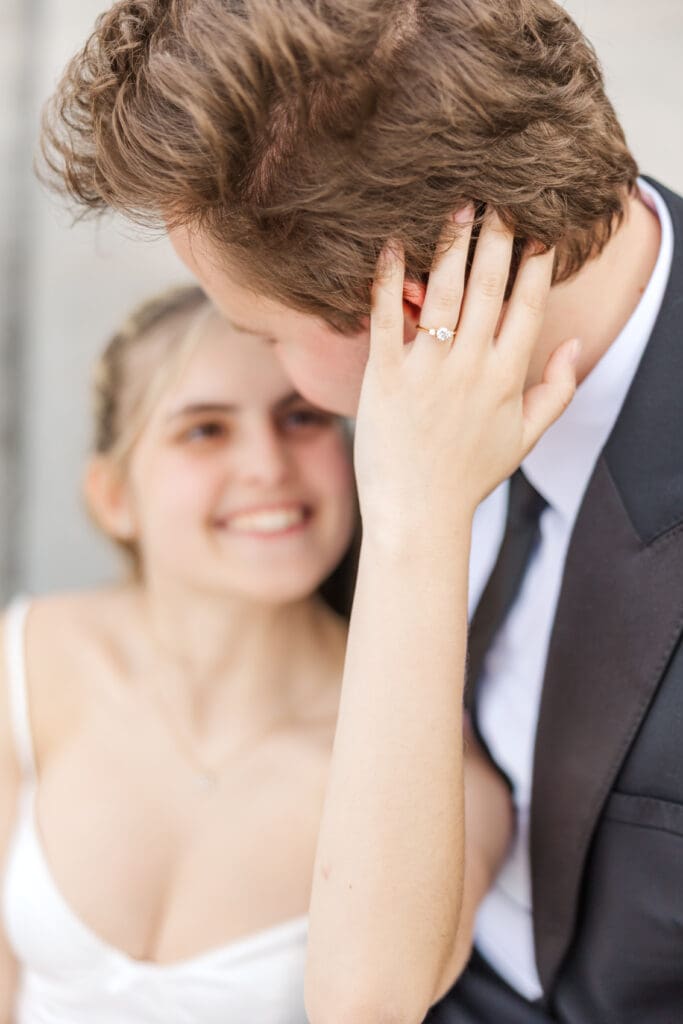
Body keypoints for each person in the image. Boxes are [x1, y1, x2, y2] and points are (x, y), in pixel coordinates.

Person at [40, 1, 683, 1021]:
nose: (272, 408)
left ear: (415, 308)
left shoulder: (395, 458)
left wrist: (415, 520)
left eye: (262, 334)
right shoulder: (335, 462)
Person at [0, 281, 528, 1024]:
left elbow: (379, 1005)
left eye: (301, 418)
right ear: (114, 497)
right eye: (204, 430)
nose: (267, 467)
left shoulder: (428, 759)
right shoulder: (27, 663)